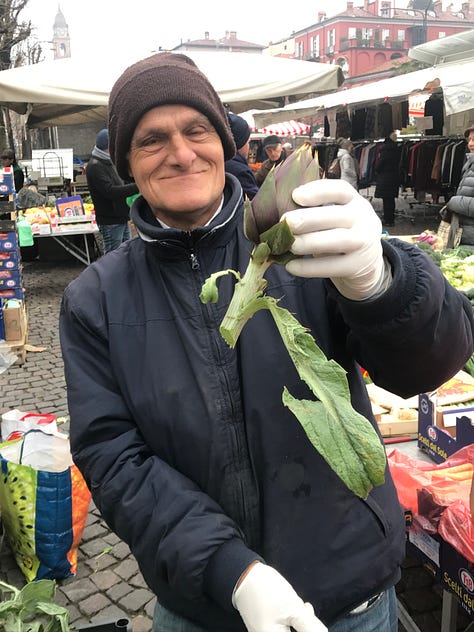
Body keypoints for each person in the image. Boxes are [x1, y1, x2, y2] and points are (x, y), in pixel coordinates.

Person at [59, 51, 474, 632]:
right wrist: (234, 572)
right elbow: (114, 459)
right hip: (203, 606)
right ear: (128, 161)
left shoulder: (305, 243)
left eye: (196, 129)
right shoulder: (95, 299)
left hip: (348, 593)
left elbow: (428, 365)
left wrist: (382, 282)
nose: (181, 152)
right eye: (152, 140)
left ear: (222, 140)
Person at [85, 128, 138, 253]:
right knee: (113, 255)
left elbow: (121, 182)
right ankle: (112, 274)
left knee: (126, 253)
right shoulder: (95, 166)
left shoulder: (109, 162)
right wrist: (137, 187)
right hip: (110, 220)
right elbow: (110, 192)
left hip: (121, 217)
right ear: (108, 146)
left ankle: (125, 273)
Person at [444, 124, 474, 246]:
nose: (470, 144)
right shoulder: (470, 165)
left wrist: (454, 202)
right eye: (470, 139)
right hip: (467, 235)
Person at [225, 113, 258, 200]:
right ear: (240, 143)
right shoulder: (239, 170)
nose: (249, 146)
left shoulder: (224, 163)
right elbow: (255, 203)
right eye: (248, 142)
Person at [374, 132, 402, 227]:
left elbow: (380, 164)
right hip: (394, 177)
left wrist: (376, 169)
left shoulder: (385, 150)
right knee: (391, 199)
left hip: (385, 177)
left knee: (386, 200)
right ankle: (391, 219)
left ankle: (387, 219)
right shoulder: (398, 149)